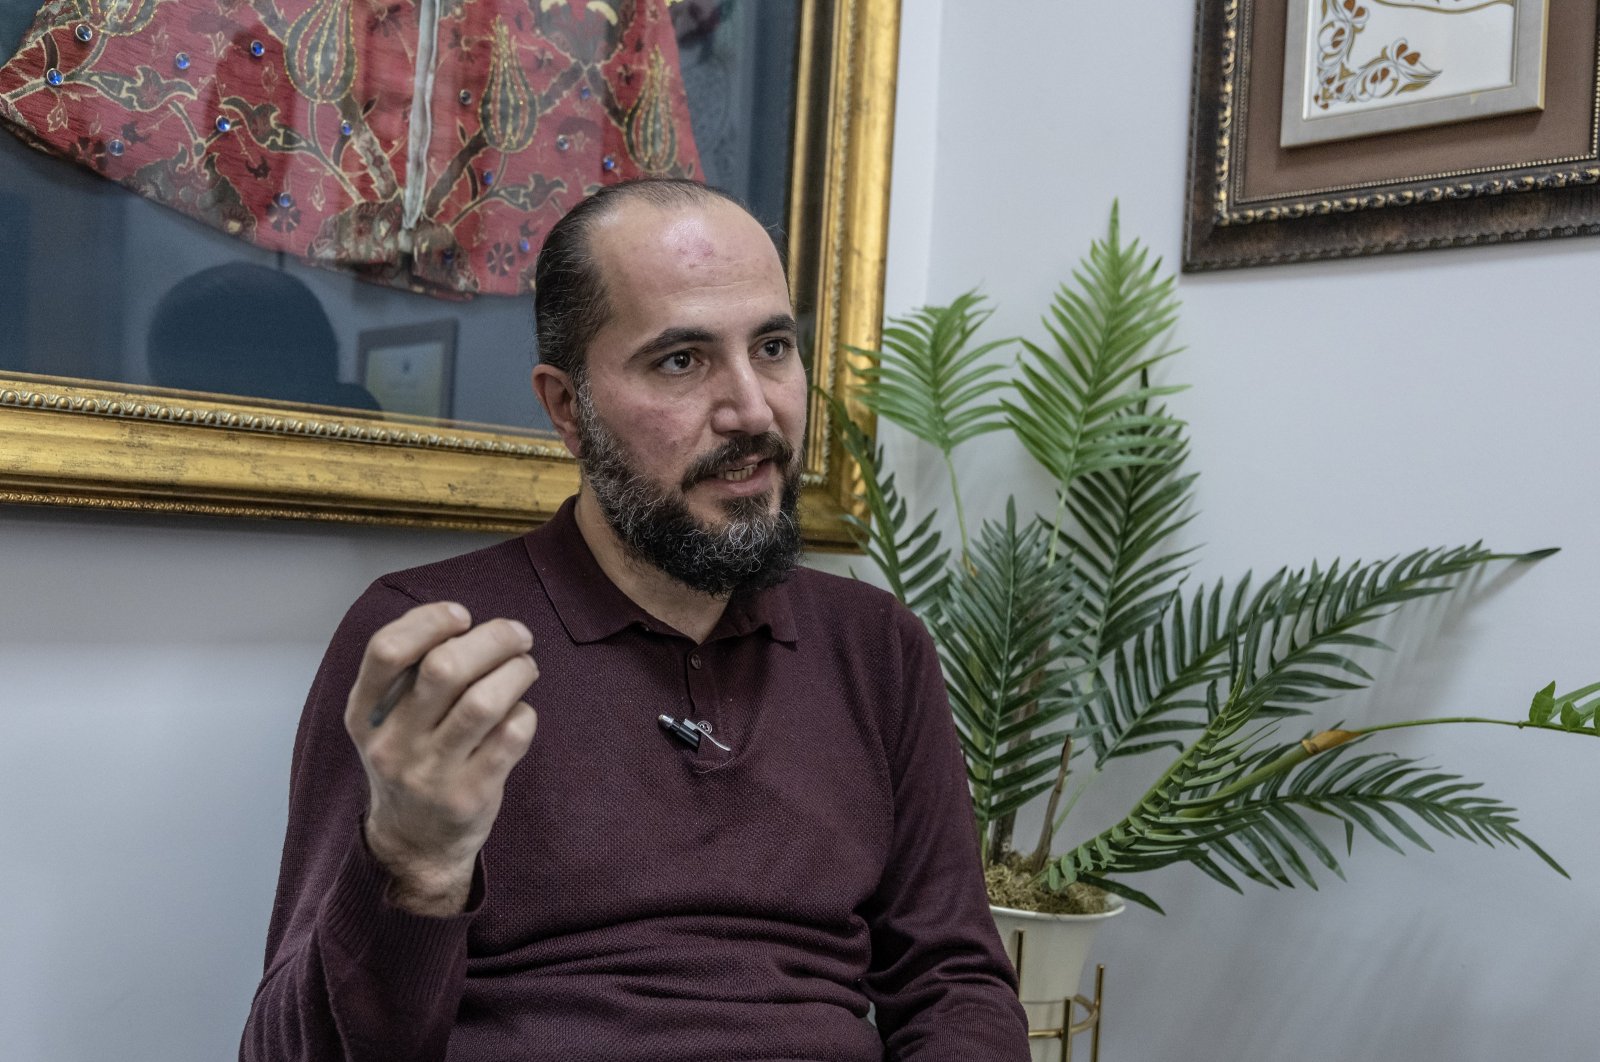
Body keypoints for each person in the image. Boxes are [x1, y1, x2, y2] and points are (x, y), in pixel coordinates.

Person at [240, 178, 1030, 1061]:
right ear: (568, 408)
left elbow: (953, 983)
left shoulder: (874, 645)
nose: (753, 411)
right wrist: (414, 861)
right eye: (681, 361)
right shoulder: (435, 646)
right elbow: (287, 1051)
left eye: (772, 347)